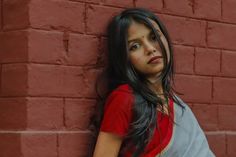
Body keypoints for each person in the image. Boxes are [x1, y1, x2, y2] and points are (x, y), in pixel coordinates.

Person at [92, 8, 215, 157]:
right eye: (134, 46)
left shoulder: (175, 104)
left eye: (154, 37)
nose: (150, 49)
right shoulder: (124, 98)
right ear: (124, 57)